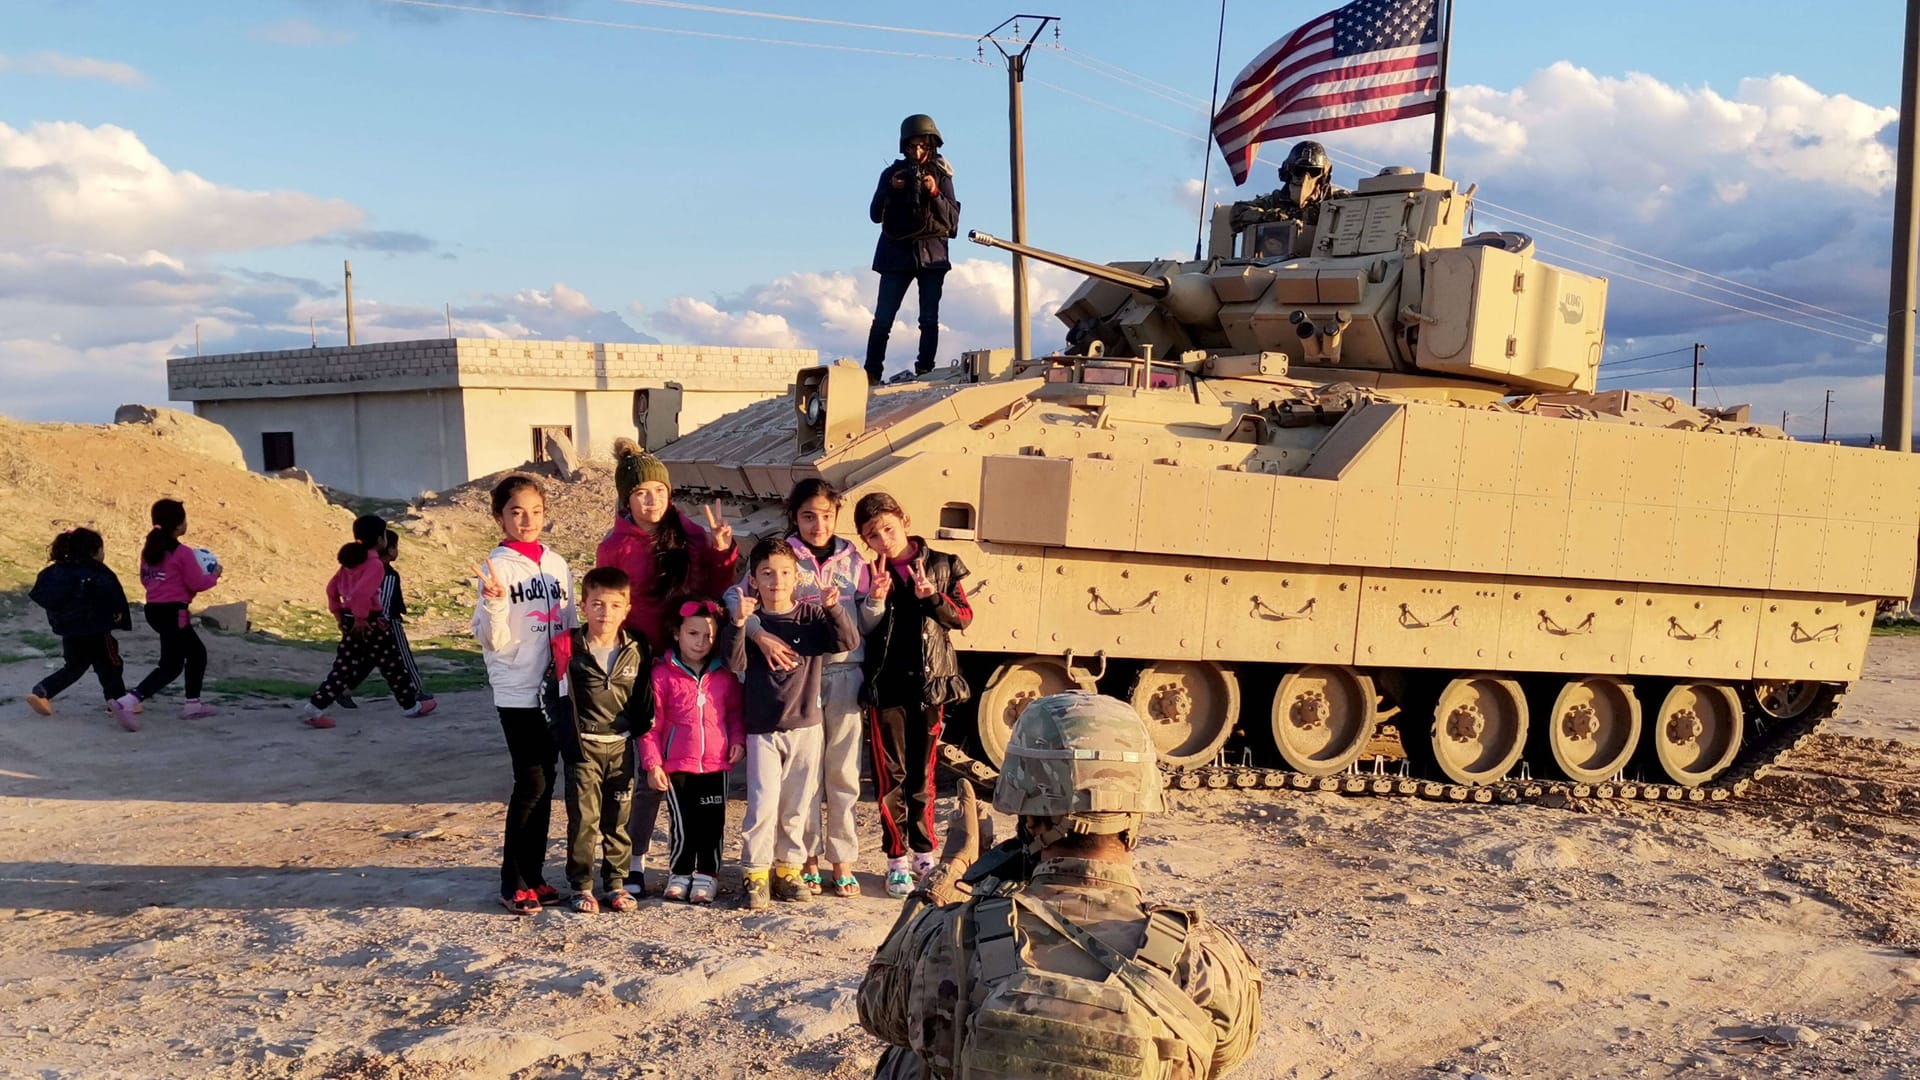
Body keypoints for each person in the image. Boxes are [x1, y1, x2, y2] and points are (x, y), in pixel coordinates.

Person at [857, 693, 1264, 1079]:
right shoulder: (1207, 958)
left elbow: (877, 1008)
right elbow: (1222, 1057)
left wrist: (949, 874)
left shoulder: (948, 934)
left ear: (1029, 819)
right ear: (1135, 818)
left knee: (908, 1056)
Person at [725, 479, 884, 898]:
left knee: (843, 772)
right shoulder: (779, 556)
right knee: (803, 782)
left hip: (844, 671)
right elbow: (736, 599)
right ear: (795, 517)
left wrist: (871, 604)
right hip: (794, 680)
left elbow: (859, 629)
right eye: (808, 516)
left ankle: (843, 860)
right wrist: (757, 632)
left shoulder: (854, 560)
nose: (818, 524)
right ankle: (802, 862)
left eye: (827, 515)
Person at [597, 438, 740, 894]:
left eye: (658, 490)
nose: (651, 500)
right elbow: (612, 606)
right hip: (641, 664)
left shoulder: (692, 535)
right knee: (646, 769)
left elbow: (715, 588)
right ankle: (633, 859)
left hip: (693, 657)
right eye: (641, 493)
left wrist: (722, 553)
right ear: (627, 498)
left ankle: (693, 863)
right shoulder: (614, 547)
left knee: (691, 769)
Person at [724, 538, 858, 910]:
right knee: (762, 803)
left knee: (798, 804)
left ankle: (789, 869)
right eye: (767, 574)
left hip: (806, 725)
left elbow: (848, 640)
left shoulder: (811, 617)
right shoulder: (751, 623)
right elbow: (734, 662)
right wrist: (739, 624)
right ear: (754, 580)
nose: (776, 581)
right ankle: (754, 872)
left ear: (797, 578)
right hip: (762, 728)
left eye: (784, 573)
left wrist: (833, 609)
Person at [852, 491, 972, 898]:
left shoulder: (941, 564)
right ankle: (895, 859)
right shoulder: (869, 571)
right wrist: (876, 597)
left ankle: (925, 851)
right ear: (865, 540)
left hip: (929, 684)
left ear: (904, 520)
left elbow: (964, 617)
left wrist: (932, 598)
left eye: (888, 527)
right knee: (890, 777)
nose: (883, 538)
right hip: (887, 687)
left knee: (923, 776)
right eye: (872, 534)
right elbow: (863, 629)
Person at [473, 474, 576, 917]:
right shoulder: (497, 568)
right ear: (500, 516)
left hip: (555, 688)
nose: (526, 520)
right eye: (516, 512)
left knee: (547, 780)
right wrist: (494, 601)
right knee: (530, 780)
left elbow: (570, 622)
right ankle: (513, 880)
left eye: (535, 511)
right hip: (517, 689)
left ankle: (534, 877)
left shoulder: (556, 565)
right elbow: (491, 639)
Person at [547, 566, 651, 914]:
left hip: (621, 747)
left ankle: (616, 885)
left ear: (627, 608)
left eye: (614, 605)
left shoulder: (638, 648)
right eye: (597, 604)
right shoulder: (567, 647)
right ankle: (581, 886)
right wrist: (563, 740)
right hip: (584, 748)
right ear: (584, 605)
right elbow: (553, 697)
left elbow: (645, 698)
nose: (605, 613)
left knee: (618, 820)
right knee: (584, 821)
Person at [639, 600, 743, 905]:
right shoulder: (661, 675)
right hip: (677, 764)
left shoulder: (725, 675)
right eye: (693, 634)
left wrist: (738, 740)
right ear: (676, 634)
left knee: (712, 822)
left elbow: (736, 713)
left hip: (715, 764)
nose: (701, 642)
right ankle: (680, 872)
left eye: (708, 636)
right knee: (682, 822)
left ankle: (707, 874)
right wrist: (652, 763)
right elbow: (651, 725)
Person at [299, 531, 433, 729]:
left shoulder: (351, 560)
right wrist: (362, 617)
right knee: (392, 665)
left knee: (344, 667)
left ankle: (315, 706)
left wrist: (339, 616)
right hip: (370, 621)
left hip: (349, 619)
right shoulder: (374, 564)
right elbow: (363, 593)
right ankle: (411, 705)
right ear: (380, 540)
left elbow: (332, 589)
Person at [864, 113, 961, 385]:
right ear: (904, 147)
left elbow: (952, 222)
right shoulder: (891, 174)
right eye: (911, 146)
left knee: (929, 319)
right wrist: (892, 190)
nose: (917, 151)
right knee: (883, 319)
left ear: (931, 145)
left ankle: (925, 370)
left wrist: (934, 193)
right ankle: (871, 373)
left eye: (922, 145)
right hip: (895, 255)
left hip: (932, 256)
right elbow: (874, 214)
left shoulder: (942, 175)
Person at [109, 499, 220, 731]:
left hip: (155, 610)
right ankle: (128, 702)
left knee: (185, 657)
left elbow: (145, 579)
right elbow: (197, 583)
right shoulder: (183, 552)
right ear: (178, 524)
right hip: (174, 612)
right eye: (184, 519)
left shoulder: (150, 551)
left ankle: (192, 703)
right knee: (177, 663)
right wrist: (215, 575)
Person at [26, 528, 131, 718]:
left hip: (69, 630)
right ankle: (117, 701)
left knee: (74, 667)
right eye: (102, 549)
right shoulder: (97, 572)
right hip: (96, 630)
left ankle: (42, 691)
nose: (103, 554)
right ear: (93, 551)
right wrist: (118, 619)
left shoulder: (59, 571)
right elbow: (113, 596)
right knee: (111, 664)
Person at [340, 528, 432, 712]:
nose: (397, 551)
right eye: (396, 547)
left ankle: (343, 688)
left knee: (367, 659)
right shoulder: (388, 574)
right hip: (386, 623)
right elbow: (385, 601)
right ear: (389, 549)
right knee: (403, 655)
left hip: (360, 621)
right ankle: (415, 690)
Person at [1227, 140, 1346, 256]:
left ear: (1322, 176)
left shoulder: (1337, 200)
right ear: (1288, 172)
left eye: (1313, 172)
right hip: (1278, 266)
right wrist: (1267, 217)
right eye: (1299, 171)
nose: (1305, 178)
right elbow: (1237, 212)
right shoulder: (1275, 201)